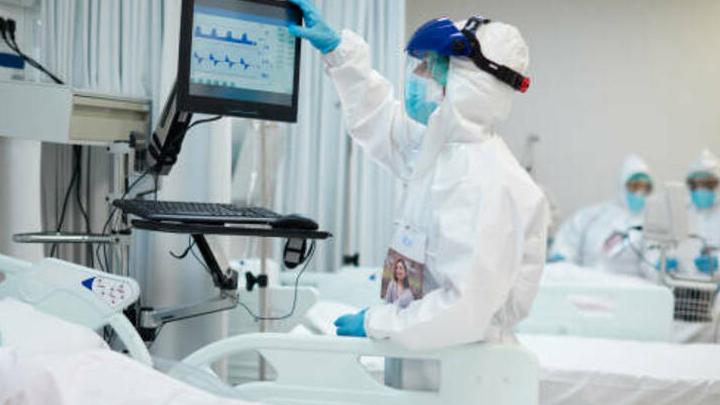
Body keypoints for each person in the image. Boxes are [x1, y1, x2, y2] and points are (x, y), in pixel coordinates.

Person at [289, 0, 549, 351]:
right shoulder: (445, 153)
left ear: (470, 83)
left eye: (431, 67)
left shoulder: (483, 180)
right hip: (428, 355)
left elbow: (464, 309)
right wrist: (340, 53)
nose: (418, 76)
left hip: (463, 368)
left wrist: (377, 323)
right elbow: (382, 123)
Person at [550, 154, 654, 277]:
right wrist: (561, 257)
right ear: (622, 184)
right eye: (635, 186)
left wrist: (661, 264)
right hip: (587, 282)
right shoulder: (595, 215)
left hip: (628, 286)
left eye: (645, 188)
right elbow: (569, 238)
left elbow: (652, 261)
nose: (639, 193)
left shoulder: (651, 225)